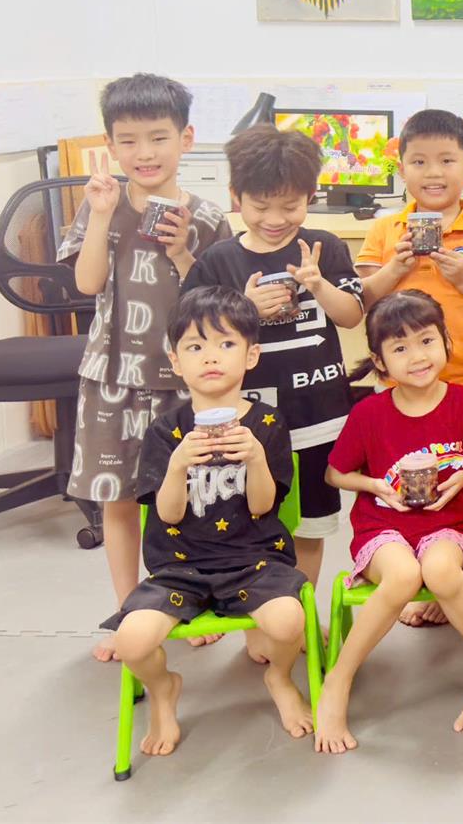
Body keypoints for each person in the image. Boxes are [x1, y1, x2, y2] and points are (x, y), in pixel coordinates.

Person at [62, 73, 234, 661]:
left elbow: (213, 301)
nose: (144, 153)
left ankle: (185, 601)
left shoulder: (207, 216)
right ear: (111, 146)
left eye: (158, 137)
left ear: (186, 138)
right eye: (128, 140)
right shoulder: (100, 206)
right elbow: (87, 283)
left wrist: (183, 249)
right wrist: (101, 216)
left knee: (190, 496)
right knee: (116, 500)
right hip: (112, 376)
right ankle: (129, 612)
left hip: (189, 382)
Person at [104, 287, 313, 758]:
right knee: (131, 641)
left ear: (251, 355)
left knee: (288, 622)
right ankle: (164, 690)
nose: (210, 357)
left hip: (254, 561)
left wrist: (255, 458)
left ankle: (279, 678)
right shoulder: (165, 431)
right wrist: (178, 464)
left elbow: (263, 507)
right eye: (195, 346)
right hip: (180, 567)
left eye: (226, 343)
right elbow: (167, 514)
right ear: (176, 361)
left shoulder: (268, 424)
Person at [315, 292, 463, 754]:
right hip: (383, 525)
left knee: (439, 570)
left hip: (448, 522)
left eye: (427, 341)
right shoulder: (370, 413)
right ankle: (339, 679)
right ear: (380, 361)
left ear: (446, 341)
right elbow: (335, 473)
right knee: (404, 575)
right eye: (400, 347)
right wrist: (374, 485)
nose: (417, 356)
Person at [356, 108, 463, 625]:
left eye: (447, 160)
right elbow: (361, 300)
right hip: (400, 393)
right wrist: (396, 267)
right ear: (401, 168)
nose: (433, 172)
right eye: (420, 161)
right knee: (407, 484)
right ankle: (414, 576)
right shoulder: (386, 230)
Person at [184, 124, 364, 584]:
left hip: (318, 415)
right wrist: (244, 310)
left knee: (309, 526)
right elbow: (194, 334)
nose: (275, 219)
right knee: (249, 519)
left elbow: (351, 316)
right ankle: (258, 605)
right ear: (236, 196)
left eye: (290, 205)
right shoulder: (217, 260)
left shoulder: (325, 246)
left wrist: (318, 285)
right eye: (261, 206)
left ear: (310, 195)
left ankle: (301, 607)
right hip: (244, 423)